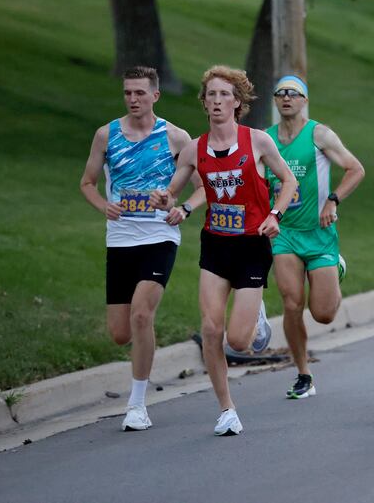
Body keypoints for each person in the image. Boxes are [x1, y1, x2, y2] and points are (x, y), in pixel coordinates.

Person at [150, 66, 297, 435]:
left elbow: (289, 180)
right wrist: (164, 198)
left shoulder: (258, 141)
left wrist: (276, 214)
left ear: (237, 103)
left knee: (239, 341)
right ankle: (226, 409)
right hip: (215, 244)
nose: (216, 101)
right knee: (211, 329)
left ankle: (257, 316)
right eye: (210, 95)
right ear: (204, 103)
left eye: (224, 95)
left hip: (251, 245)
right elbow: (173, 191)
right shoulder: (193, 149)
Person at [80, 66, 193, 431]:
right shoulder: (106, 135)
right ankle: (138, 382)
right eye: (128, 92)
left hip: (159, 238)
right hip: (121, 239)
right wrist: (104, 206)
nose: (133, 99)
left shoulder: (176, 138)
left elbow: (203, 185)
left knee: (142, 315)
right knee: (120, 333)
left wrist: (182, 209)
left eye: (140, 93)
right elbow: (87, 183)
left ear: (155, 96)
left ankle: (137, 405)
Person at [264, 75, 365, 399]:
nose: (286, 98)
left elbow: (355, 168)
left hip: (319, 233)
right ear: (276, 101)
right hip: (285, 234)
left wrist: (332, 200)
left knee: (323, 314)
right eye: (281, 94)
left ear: (304, 100)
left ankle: (336, 267)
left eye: (293, 94)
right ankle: (303, 373)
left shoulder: (319, 134)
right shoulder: (265, 139)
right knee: (292, 303)